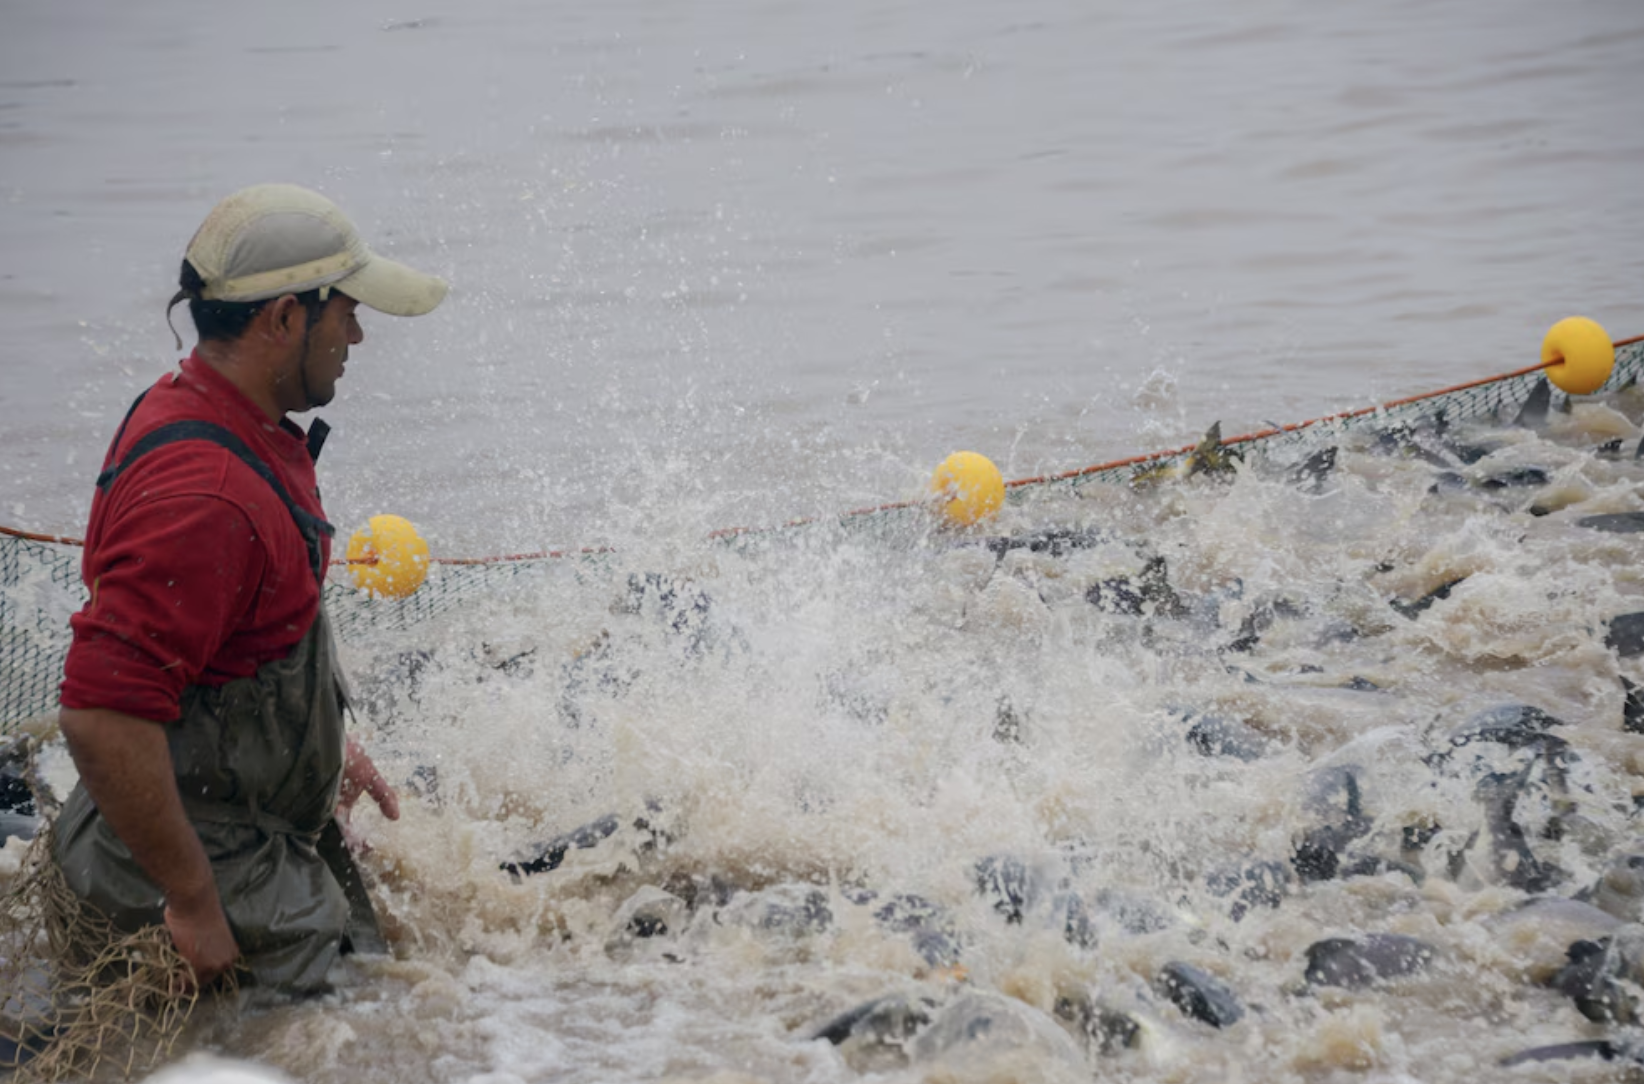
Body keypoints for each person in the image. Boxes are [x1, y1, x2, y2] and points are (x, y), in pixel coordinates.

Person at [51, 183, 448, 994]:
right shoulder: (205, 498)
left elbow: (233, 652)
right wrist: (193, 901)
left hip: (219, 830)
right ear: (282, 320)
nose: (359, 335)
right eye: (346, 313)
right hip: (184, 869)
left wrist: (326, 754)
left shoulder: (216, 411)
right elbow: (99, 715)